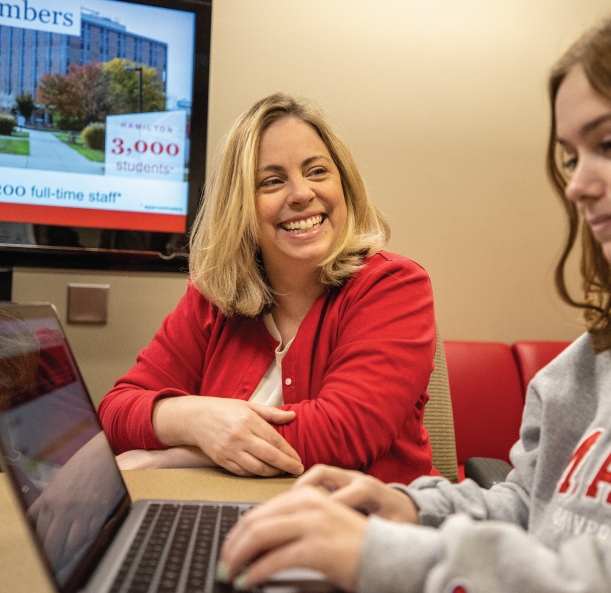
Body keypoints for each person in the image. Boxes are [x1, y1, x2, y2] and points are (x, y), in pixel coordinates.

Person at [216, 0, 611, 591]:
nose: (576, 186)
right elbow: (528, 504)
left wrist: (400, 559)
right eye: (571, 158)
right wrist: (412, 512)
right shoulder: (591, 362)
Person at [97, 93, 437, 485]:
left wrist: (182, 454)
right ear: (239, 204)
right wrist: (199, 419)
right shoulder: (213, 299)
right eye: (272, 181)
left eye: (317, 172)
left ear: (344, 183)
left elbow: (341, 436)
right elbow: (117, 410)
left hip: (366, 532)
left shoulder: (393, 286)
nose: (301, 194)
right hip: (237, 520)